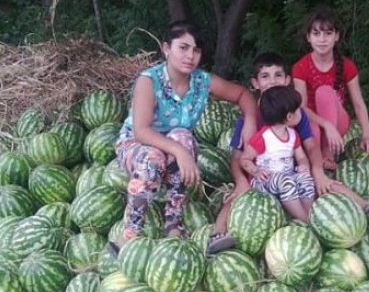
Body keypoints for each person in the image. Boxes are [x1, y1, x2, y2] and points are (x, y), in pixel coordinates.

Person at [206, 52, 369, 254]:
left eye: (278, 75)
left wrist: (317, 171)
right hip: (261, 178)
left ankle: (366, 207)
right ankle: (218, 233)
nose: (272, 81)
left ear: (287, 80)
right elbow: (238, 158)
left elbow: (310, 147)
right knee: (233, 200)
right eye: (265, 76)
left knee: (329, 185)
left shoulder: (294, 115)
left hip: (292, 175)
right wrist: (241, 181)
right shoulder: (250, 118)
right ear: (255, 83)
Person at [109, 20, 258, 253]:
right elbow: (141, 131)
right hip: (136, 146)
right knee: (156, 156)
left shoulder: (201, 82)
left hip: (174, 145)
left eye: (196, 50)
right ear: (167, 48)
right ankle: (130, 234)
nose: (190, 56)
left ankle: (173, 224)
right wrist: (179, 152)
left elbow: (243, 95)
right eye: (183, 47)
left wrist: (249, 124)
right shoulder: (149, 80)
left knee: (183, 136)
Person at [292, 6, 369, 170]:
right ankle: (316, 163)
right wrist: (326, 125)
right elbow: (301, 107)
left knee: (324, 91)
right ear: (308, 38)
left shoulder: (347, 66)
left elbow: (359, 104)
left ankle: (328, 154)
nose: (322, 39)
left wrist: (367, 135)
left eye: (328, 33)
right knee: (313, 130)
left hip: (338, 121)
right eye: (316, 34)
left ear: (336, 36)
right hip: (312, 123)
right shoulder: (300, 67)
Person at [240, 86, 316, 222]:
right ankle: (305, 220)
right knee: (285, 182)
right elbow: (244, 159)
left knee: (305, 178)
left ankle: (309, 212)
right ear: (289, 116)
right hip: (265, 182)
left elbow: (301, 157)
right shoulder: (263, 137)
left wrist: (304, 165)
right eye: (298, 109)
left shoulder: (293, 135)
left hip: (287, 177)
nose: (301, 112)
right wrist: (256, 171)